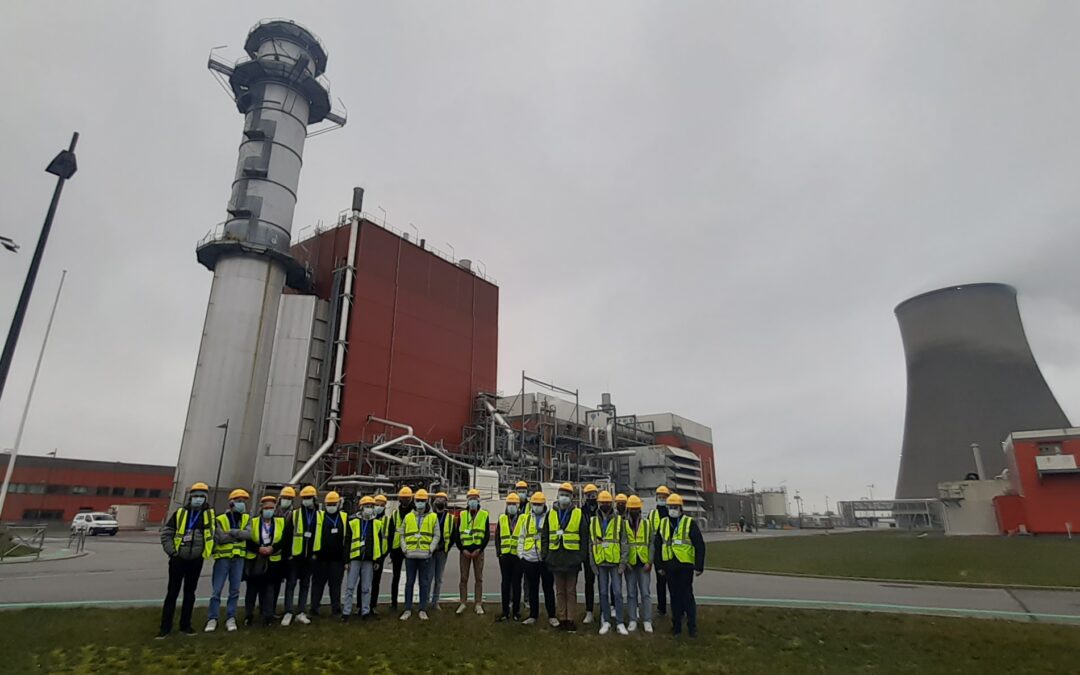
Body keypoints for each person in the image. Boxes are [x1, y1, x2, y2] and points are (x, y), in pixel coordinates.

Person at [158, 482, 215, 638]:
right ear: (191, 497)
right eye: (196, 496)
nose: (198, 499)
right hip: (178, 559)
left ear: (206, 498)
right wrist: (173, 552)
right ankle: (165, 627)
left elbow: (213, 534)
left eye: (201, 496)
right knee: (172, 593)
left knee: (190, 593)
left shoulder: (209, 515)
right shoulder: (181, 513)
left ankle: (186, 625)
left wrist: (204, 552)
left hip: (196, 559)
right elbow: (166, 534)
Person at [654, 493, 705, 638]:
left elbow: (699, 545)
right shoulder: (663, 523)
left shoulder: (689, 523)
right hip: (669, 565)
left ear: (681, 508)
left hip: (685, 565)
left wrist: (699, 566)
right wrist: (659, 566)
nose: (672, 509)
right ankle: (676, 626)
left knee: (687, 596)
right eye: (670, 507)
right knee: (674, 597)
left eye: (675, 507)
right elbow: (658, 546)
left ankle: (692, 627)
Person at [205, 488, 252, 633]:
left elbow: (248, 535)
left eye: (243, 502)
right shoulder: (220, 519)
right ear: (231, 503)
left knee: (235, 591)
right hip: (223, 559)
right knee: (216, 590)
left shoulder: (246, 518)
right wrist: (238, 534)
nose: (242, 504)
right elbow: (219, 538)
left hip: (238, 559)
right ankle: (212, 618)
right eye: (239, 501)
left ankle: (231, 617)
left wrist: (231, 532)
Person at [543, 482, 587, 632]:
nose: (564, 498)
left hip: (572, 558)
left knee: (571, 591)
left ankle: (571, 619)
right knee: (560, 591)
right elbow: (545, 536)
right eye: (562, 495)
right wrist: (546, 555)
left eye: (567, 495)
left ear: (572, 498)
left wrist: (581, 556)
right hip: (555, 558)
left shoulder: (578, 514)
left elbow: (584, 537)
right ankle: (562, 619)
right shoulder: (551, 514)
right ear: (557, 496)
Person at [590, 490, 628, 636]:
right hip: (601, 563)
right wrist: (593, 564)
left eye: (607, 502)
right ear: (599, 504)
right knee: (603, 593)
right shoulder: (594, 521)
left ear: (611, 504)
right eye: (602, 503)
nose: (605, 505)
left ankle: (619, 622)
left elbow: (624, 542)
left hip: (615, 563)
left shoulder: (619, 521)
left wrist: (622, 563)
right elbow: (591, 544)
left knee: (617, 593)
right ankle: (605, 620)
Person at [245, 495, 287, 627]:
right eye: (266, 508)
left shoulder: (280, 522)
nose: (269, 510)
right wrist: (259, 549)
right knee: (252, 589)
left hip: (273, 560)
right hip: (256, 559)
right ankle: (249, 615)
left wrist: (272, 549)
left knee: (269, 589)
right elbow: (248, 539)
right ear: (261, 509)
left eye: (271, 508)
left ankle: (268, 616)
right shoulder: (254, 521)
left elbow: (284, 540)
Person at [281, 485, 319, 626]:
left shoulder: (318, 515)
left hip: (309, 557)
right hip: (295, 556)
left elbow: (319, 536)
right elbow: (288, 536)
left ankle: (301, 612)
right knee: (291, 584)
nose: (306, 500)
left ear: (314, 499)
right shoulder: (295, 514)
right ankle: (289, 611)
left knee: (305, 585)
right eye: (304, 498)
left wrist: (315, 554)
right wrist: (288, 556)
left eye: (309, 498)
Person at [400, 488, 440, 620]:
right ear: (414, 501)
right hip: (410, 555)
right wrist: (405, 549)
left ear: (427, 501)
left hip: (425, 556)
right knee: (409, 583)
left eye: (422, 501)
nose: (420, 503)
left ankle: (423, 609)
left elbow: (436, 535)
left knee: (424, 583)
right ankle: (407, 609)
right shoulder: (408, 516)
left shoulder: (433, 517)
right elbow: (402, 535)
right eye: (418, 500)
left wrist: (430, 549)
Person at [343, 496, 385, 621]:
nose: (370, 509)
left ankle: (365, 611)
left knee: (366, 588)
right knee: (350, 587)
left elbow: (378, 543)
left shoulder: (377, 523)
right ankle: (346, 612)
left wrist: (377, 560)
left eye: (371, 506)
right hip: (355, 558)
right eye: (367, 506)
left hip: (368, 560)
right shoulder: (353, 521)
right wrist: (346, 560)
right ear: (361, 507)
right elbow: (347, 542)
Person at [518, 491, 557, 626]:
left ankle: (552, 615)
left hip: (545, 558)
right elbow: (521, 537)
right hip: (530, 558)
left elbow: (554, 535)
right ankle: (533, 615)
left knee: (548, 588)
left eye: (539, 504)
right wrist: (521, 555)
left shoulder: (551, 517)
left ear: (544, 504)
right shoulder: (526, 518)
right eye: (534, 504)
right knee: (533, 589)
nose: (536, 507)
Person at [310, 491, 347, 619]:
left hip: (337, 559)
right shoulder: (319, 516)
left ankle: (336, 608)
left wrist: (345, 558)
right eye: (329, 504)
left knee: (335, 585)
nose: (331, 506)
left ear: (338, 504)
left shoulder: (344, 517)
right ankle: (314, 608)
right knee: (317, 584)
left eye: (333, 504)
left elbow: (347, 538)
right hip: (321, 558)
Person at [623, 495, 653, 633]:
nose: (634, 512)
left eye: (636, 509)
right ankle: (633, 620)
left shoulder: (647, 524)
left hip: (643, 563)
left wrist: (649, 561)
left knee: (645, 593)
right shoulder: (624, 524)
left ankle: (647, 620)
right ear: (628, 510)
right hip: (630, 563)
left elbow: (651, 543)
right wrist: (625, 561)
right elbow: (622, 543)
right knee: (630, 593)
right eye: (632, 509)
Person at [457, 487, 489, 615]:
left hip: (478, 551)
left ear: (478, 500)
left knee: (478, 578)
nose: (472, 501)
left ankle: (478, 603)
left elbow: (486, 535)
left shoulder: (484, 515)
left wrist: (479, 549)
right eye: (470, 499)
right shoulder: (462, 515)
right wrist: (462, 549)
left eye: (475, 499)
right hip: (464, 551)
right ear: (467, 501)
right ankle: (463, 602)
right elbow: (457, 534)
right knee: (463, 578)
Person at [495, 493, 526, 622]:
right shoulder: (502, 518)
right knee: (505, 584)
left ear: (518, 505)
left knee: (517, 584)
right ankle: (505, 611)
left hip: (517, 556)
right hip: (505, 556)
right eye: (509, 504)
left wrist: (523, 553)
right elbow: (497, 537)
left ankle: (516, 611)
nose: (511, 506)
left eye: (513, 504)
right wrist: (499, 553)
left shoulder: (523, 518)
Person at [427, 491, 457, 610]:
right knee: (428, 577)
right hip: (431, 550)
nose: (439, 501)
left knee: (438, 578)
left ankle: (435, 602)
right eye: (438, 499)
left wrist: (446, 548)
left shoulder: (450, 518)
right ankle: (425, 600)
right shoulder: (430, 516)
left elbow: (453, 535)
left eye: (442, 499)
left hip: (442, 552)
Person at [386, 486, 414, 612]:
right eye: (403, 498)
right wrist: (391, 550)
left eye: (407, 498)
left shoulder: (414, 513)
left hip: (410, 547)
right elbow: (391, 532)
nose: (405, 500)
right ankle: (394, 603)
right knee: (396, 577)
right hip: (397, 549)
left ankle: (409, 603)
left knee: (410, 578)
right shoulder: (395, 514)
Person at [270, 485, 297, 615]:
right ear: (280, 499)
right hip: (275, 553)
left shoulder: (294, 515)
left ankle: (288, 610)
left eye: (289, 498)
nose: (286, 500)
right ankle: (270, 608)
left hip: (289, 554)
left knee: (290, 584)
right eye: (285, 498)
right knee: (274, 584)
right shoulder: (272, 513)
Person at [648, 485, 671, 616]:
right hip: (657, 551)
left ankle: (677, 606)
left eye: (664, 497)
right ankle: (661, 608)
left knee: (674, 581)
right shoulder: (652, 514)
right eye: (660, 497)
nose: (662, 499)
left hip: (671, 551)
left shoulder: (672, 512)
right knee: (660, 581)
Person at [580, 483, 599, 624]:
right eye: (589, 495)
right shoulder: (580, 512)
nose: (591, 497)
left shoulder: (602, 510)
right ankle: (589, 611)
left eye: (593, 495)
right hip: (587, 553)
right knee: (589, 583)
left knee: (604, 583)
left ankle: (607, 610)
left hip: (602, 552)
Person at [369, 493, 389, 614]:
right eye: (377, 505)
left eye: (381, 505)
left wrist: (382, 556)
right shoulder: (368, 518)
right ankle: (362, 606)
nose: (379, 507)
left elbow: (388, 538)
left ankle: (373, 605)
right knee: (364, 583)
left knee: (375, 583)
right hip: (367, 556)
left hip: (380, 556)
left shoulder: (386, 520)